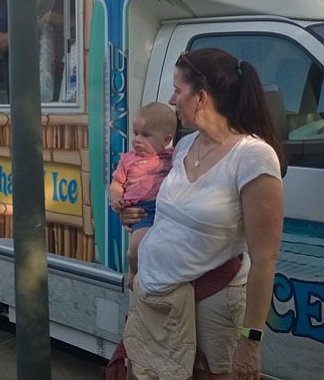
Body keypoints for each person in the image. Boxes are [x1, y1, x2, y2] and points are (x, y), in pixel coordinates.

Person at [120, 48, 284, 379]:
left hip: (212, 303)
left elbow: (265, 258)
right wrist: (137, 218)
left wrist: (250, 341)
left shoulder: (252, 157)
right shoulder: (184, 145)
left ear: (201, 97)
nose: (171, 99)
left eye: (178, 90)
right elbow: (173, 218)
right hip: (159, 303)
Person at [109, 102, 176, 290]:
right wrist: (116, 199)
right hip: (143, 212)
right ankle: (133, 271)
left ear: (166, 140)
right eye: (135, 133)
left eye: (145, 135)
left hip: (167, 210)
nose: (137, 139)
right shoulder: (128, 160)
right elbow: (116, 184)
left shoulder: (173, 156)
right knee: (138, 247)